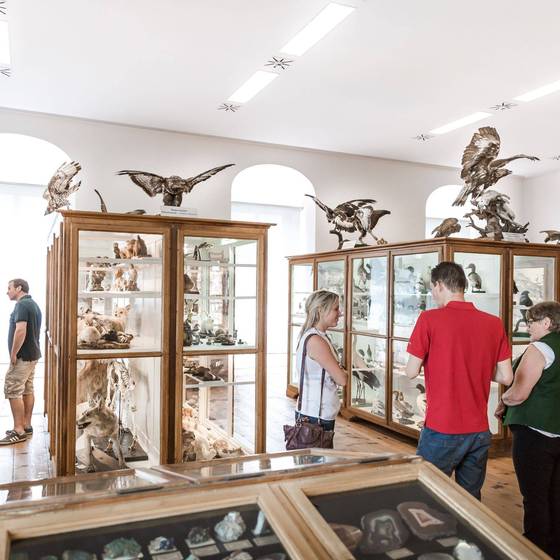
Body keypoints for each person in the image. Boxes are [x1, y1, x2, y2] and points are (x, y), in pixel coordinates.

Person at [404, 261, 513, 499]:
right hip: (479, 431)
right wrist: (477, 367)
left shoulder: (429, 319)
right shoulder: (493, 323)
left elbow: (411, 371)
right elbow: (506, 375)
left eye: (432, 288)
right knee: (470, 501)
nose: (432, 294)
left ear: (440, 285)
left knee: (426, 497)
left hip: (442, 428)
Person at [497, 301, 560, 558]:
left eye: (532, 321)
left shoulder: (539, 348)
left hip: (535, 433)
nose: (528, 326)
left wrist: (502, 401)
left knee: (534, 496)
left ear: (547, 323)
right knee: (555, 495)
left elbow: (520, 392)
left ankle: (533, 549)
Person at [295, 289, 347, 432]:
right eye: (336, 309)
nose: (340, 313)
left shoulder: (316, 336)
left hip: (316, 413)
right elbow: (342, 379)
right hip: (316, 415)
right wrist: (343, 372)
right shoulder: (316, 340)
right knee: (318, 455)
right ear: (320, 311)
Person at [1, 279, 42, 445]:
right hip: (32, 355)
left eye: (9, 288)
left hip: (23, 356)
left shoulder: (21, 305)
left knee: (12, 389)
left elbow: (20, 330)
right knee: (27, 389)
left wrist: (13, 353)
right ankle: (26, 425)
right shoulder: (33, 304)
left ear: (19, 288)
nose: (7, 291)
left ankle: (18, 430)